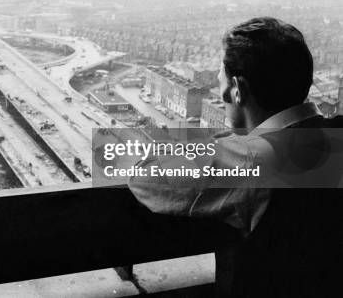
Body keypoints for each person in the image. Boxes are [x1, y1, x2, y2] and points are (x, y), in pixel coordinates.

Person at [128, 17, 343, 297]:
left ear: (238, 90)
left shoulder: (252, 160)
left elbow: (145, 175)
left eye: (221, 85)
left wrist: (229, 142)